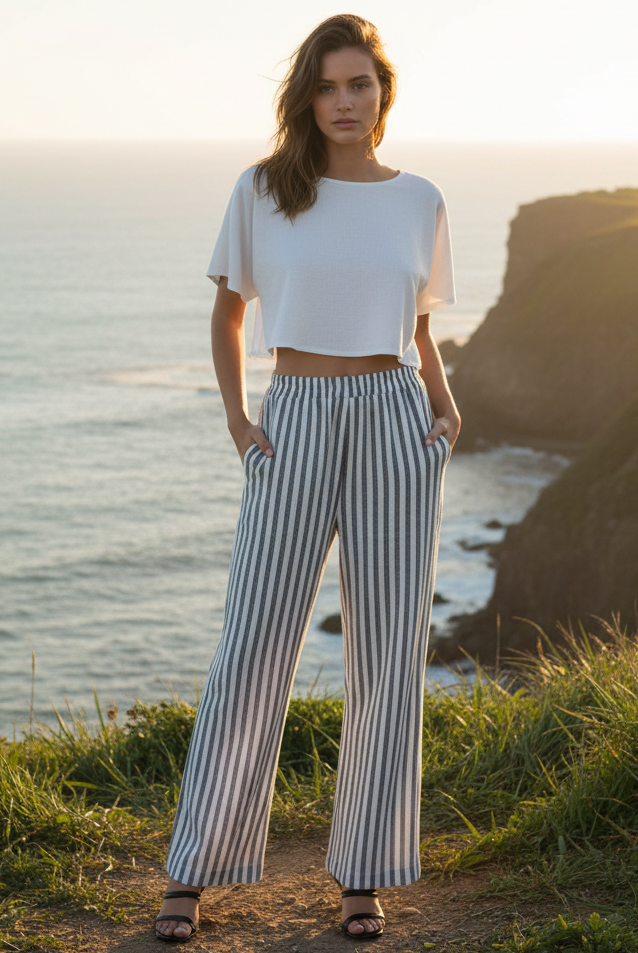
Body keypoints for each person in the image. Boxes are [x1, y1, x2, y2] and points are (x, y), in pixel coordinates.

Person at [154, 12, 461, 944]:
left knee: (386, 653)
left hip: (395, 418)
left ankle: (364, 873)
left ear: (382, 91)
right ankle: (194, 868)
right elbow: (227, 315)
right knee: (252, 640)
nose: (344, 101)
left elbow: (413, 324)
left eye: (359, 83)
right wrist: (241, 421)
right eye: (327, 85)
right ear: (306, 95)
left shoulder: (421, 200)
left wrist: (445, 411)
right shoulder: (263, 191)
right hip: (292, 416)